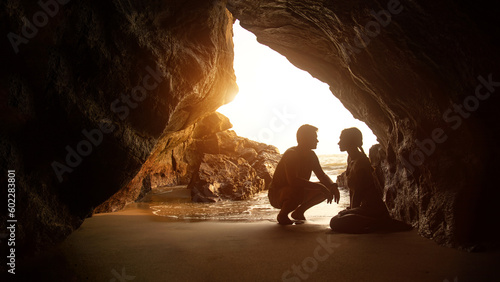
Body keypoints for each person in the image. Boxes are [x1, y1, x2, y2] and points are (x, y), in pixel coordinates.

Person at [268, 124, 340, 225]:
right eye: (314, 138)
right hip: (277, 195)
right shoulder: (291, 154)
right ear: (305, 139)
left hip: (297, 190)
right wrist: (319, 186)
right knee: (297, 190)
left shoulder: (311, 155)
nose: (317, 141)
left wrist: (333, 186)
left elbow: (322, 175)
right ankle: (282, 215)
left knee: (327, 186)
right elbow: (293, 181)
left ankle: (299, 212)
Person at [329, 127, 390, 233]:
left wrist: (352, 211)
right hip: (363, 209)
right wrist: (351, 209)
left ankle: (380, 223)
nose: (338, 143)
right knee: (340, 216)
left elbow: (358, 192)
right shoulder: (351, 159)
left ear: (350, 142)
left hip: (372, 209)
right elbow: (352, 191)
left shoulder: (361, 162)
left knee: (335, 222)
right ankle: (375, 224)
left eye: (341, 139)